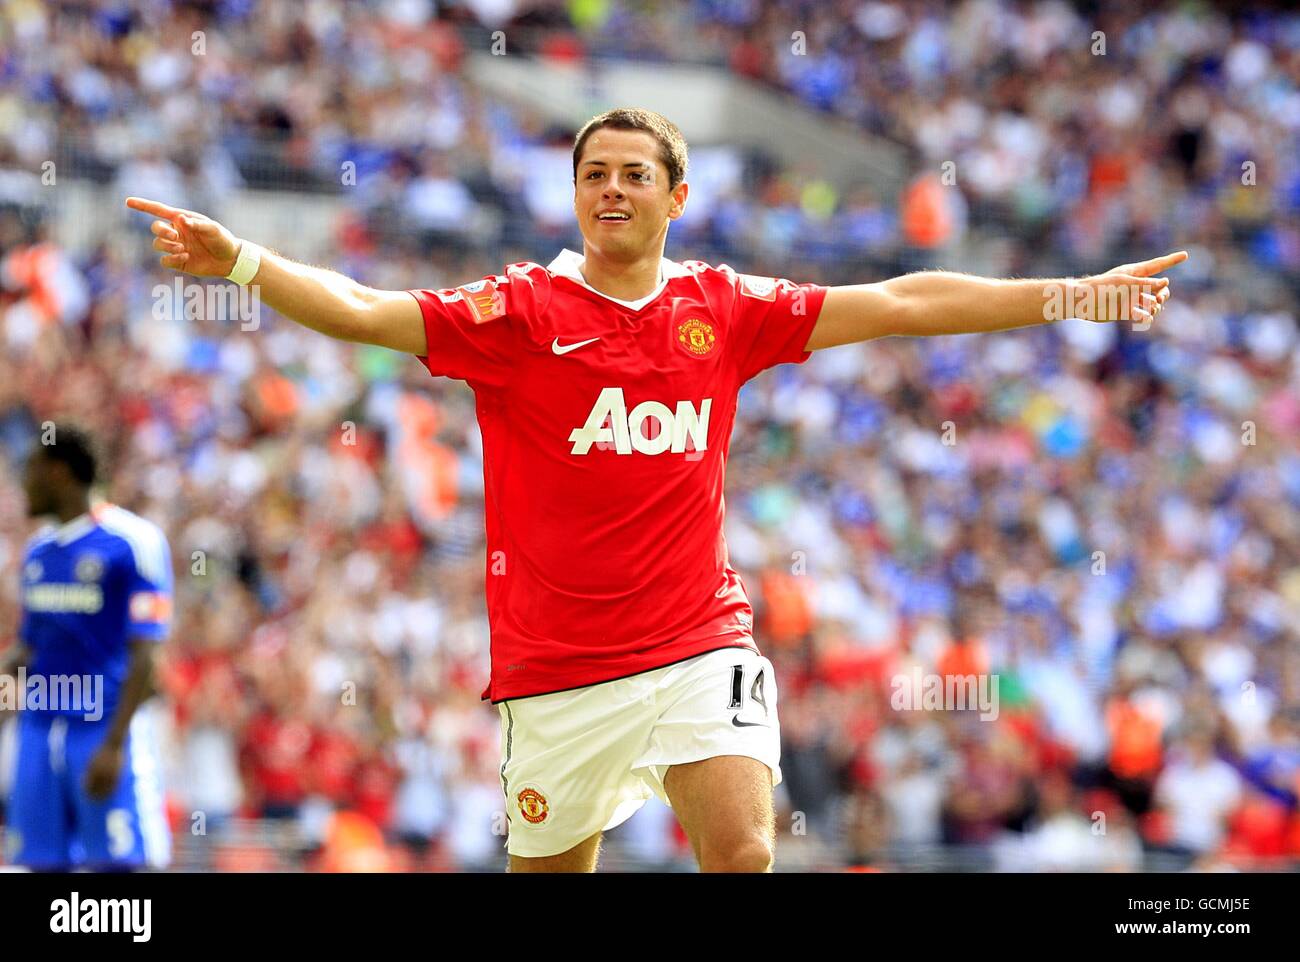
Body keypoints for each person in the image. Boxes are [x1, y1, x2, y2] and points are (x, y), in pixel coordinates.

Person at [125, 106, 1185, 873]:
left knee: (741, 847)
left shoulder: (724, 307)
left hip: (695, 643)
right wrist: (243, 263)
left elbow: (901, 298)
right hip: (554, 671)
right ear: (574, 194)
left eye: (635, 173)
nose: (612, 189)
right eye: (595, 173)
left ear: (677, 197)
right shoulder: (518, 311)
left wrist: (1066, 292)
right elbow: (363, 309)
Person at [2, 425, 173, 869]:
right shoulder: (38, 553)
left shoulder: (133, 543)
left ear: (59, 473)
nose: (24, 484)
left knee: (118, 864)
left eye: (32, 470)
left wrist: (115, 744)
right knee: (38, 861)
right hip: (39, 730)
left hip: (102, 727)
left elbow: (148, 652)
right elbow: (26, 651)